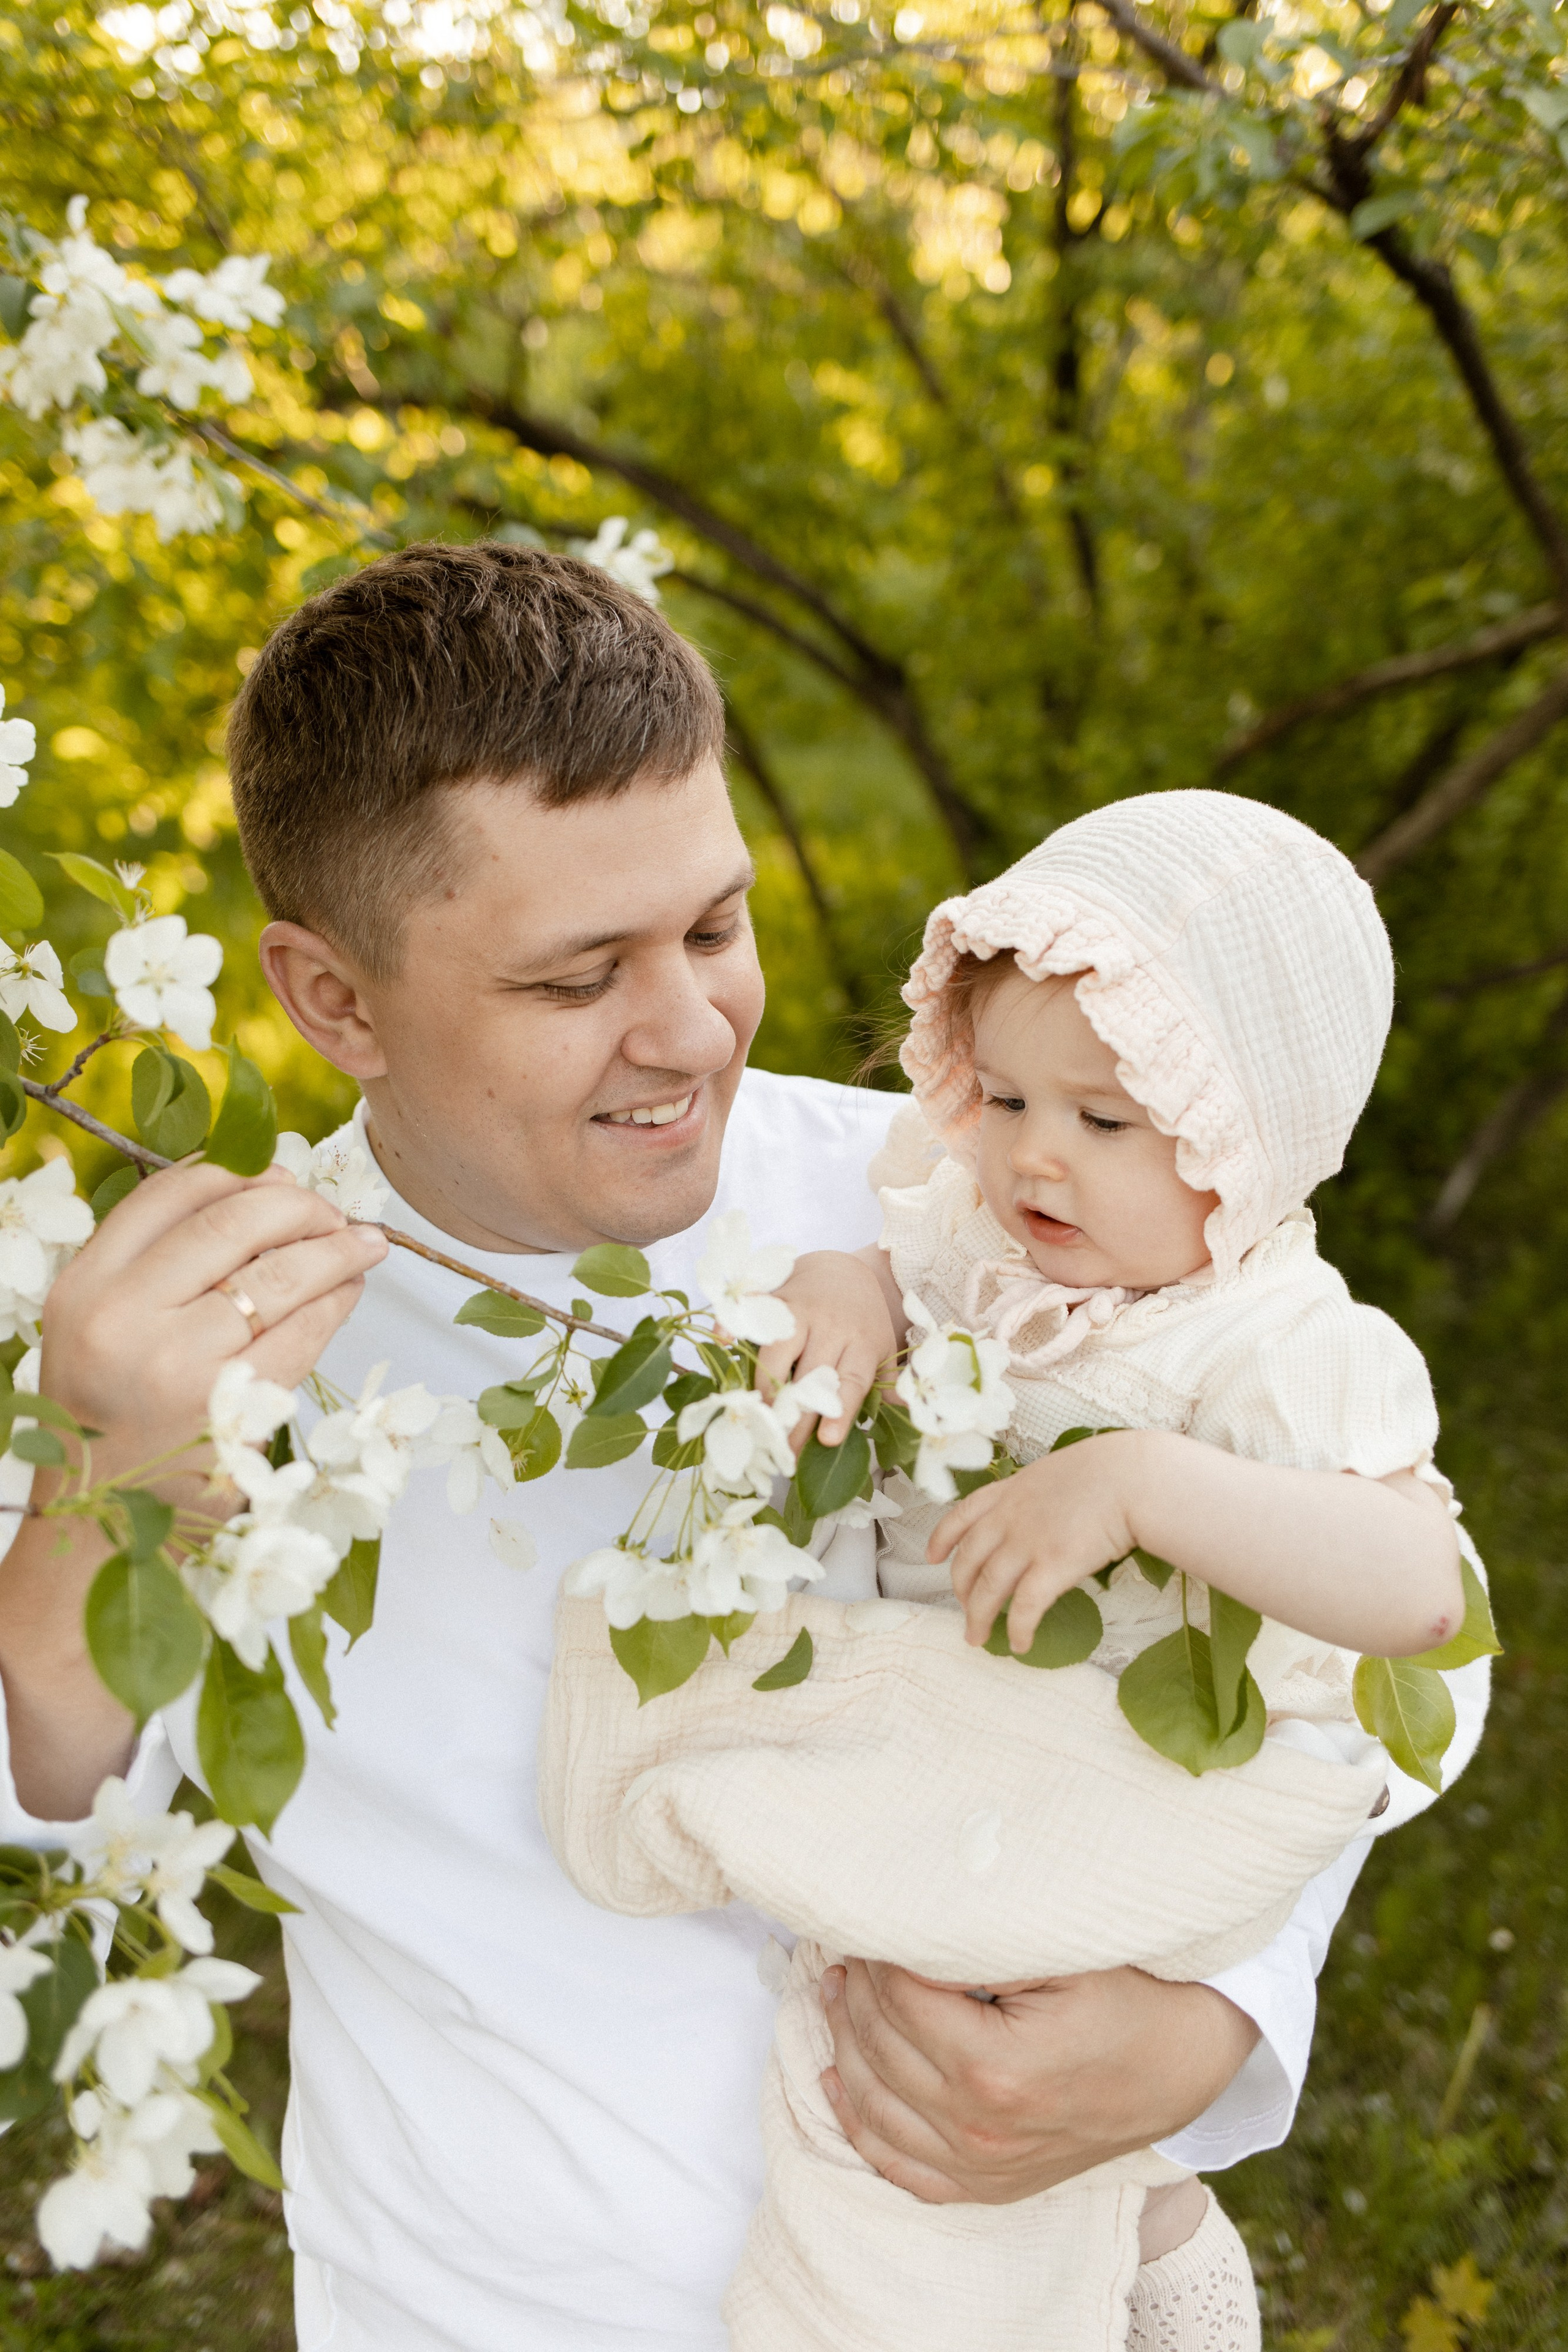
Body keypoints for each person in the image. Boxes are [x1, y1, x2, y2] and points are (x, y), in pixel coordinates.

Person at [0, 549, 1486, 2352]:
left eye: (714, 928)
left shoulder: (972, 1208)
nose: (694, 1029)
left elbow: (1387, 1649)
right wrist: (104, 1487)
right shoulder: (187, 1356)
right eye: (577, 979)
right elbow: (57, 1812)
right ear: (336, 1001)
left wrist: (1208, 2025)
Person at [543, 790, 1488, 2351]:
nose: (1033, 1158)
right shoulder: (974, 1237)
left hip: (1139, 1765)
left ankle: (1056, 2268)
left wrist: (1140, 1483)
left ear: (1248, 1152)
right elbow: (885, 1272)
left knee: (903, 2121)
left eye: (1107, 1123)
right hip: (967, 1743)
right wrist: (842, 1294)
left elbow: (1416, 1593)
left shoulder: (1267, 1341)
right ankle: (1149, 2228)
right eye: (1001, 1098)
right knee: (882, 2039)